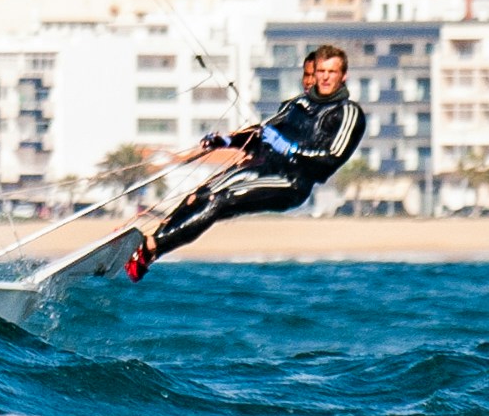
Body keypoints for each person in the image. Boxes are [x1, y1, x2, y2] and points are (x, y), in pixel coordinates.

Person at [128, 45, 366, 274]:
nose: (324, 78)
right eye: (320, 72)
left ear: (343, 76)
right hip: (266, 169)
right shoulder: (298, 104)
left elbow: (331, 159)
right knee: (201, 195)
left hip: (291, 182)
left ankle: (150, 247)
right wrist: (225, 141)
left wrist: (290, 149)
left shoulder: (348, 112)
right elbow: (260, 133)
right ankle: (150, 250)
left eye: (331, 72)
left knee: (221, 198)